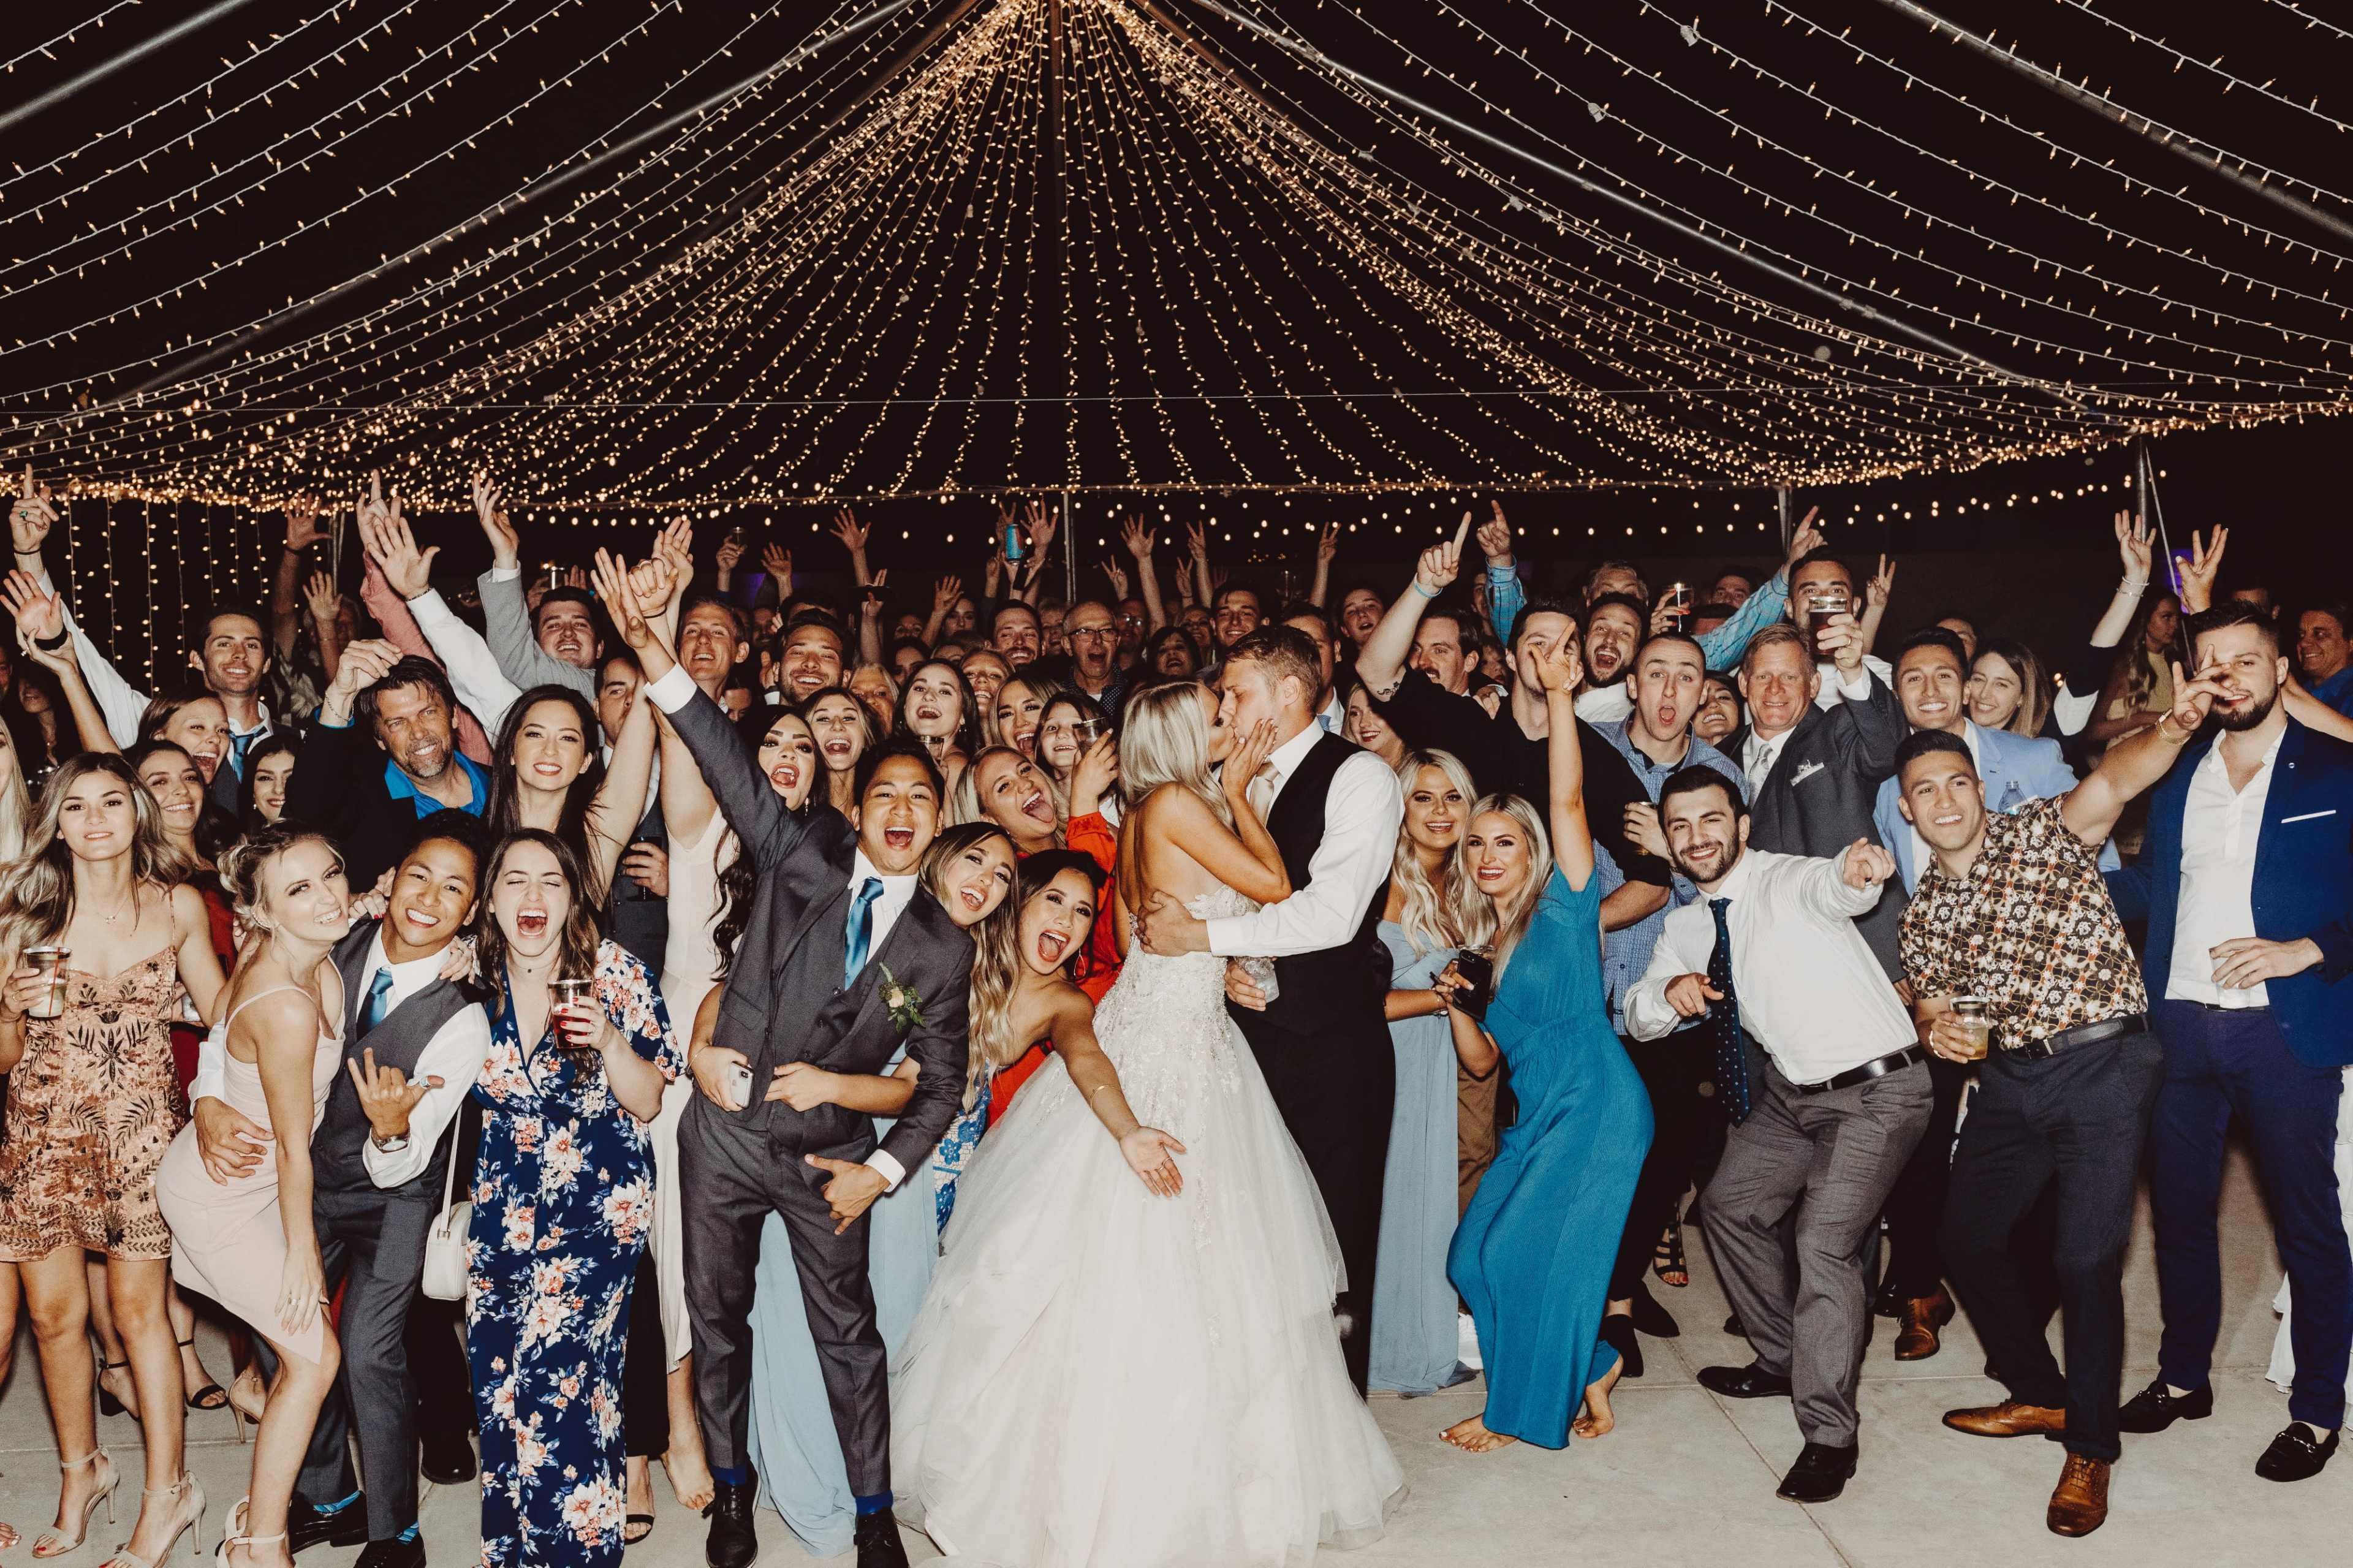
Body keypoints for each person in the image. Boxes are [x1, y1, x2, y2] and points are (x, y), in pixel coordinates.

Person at [889, 673, 1403, 1564]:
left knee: (1178, 1261)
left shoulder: (1149, 815)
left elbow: (1154, 936)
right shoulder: (1172, 802)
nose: (1228, 723)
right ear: (1178, 734)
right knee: (1159, 1259)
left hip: (1180, 1024)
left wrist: (1230, 963)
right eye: (1215, 716)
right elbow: (1279, 885)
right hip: (1172, 1048)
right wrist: (1241, 792)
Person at [625, 550, 976, 1568]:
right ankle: (732, 1495)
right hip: (724, 1138)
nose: (903, 810)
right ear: (860, 804)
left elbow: (943, 1081)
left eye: (921, 796)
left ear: (935, 813)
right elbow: (722, 755)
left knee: (848, 1336)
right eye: (887, 793)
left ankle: (873, 1510)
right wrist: (652, 642)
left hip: (831, 1155)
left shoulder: (943, 946)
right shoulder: (804, 854)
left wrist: (885, 1166)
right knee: (719, 1320)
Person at [1893, 654, 2230, 1538]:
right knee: (1961, 1239)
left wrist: (2180, 723)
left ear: (1977, 785)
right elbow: (1931, 1002)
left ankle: (2092, 1445)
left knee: (2086, 1260)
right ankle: (2039, 1392)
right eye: (1925, 790)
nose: (1945, 800)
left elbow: (2121, 773)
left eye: (1956, 781)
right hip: (2010, 1077)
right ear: (1908, 810)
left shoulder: (2041, 830)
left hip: (2103, 1064)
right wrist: (1939, 1030)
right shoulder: (1922, 910)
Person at [191, 816, 493, 1568]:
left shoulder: (464, 1019)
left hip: (393, 1197)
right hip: (292, 1184)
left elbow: (409, 1157)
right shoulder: (327, 937)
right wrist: (205, 1097)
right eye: (419, 875)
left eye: (455, 890)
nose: (430, 898)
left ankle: (398, 1534)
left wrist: (390, 1131)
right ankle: (331, 1496)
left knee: (366, 1352)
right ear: (390, 880)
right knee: (281, 1329)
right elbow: (233, 1021)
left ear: (473, 914)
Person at [1624, 770, 1926, 1503]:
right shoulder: (1688, 926)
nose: (1698, 837)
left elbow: (1837, 887)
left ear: (1744, 825)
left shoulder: (1787, 879)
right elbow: (1635, 1012)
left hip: (1878, 1090)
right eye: (1682, 825)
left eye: (1712, 820)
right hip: (1794, 1096)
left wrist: (1858, 873)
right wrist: (1666, 995)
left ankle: (1830, 1435)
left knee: (1822, 1242)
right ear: (1667, 838)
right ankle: (1783, 1357)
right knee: (1728, 1207)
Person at [2105, 604, 2352, 1482]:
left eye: (2248, 661)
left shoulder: (2336, 768)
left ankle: (2319, 1408)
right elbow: (2148, 885)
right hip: (2180, 1025)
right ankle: (2183, 1376)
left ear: (2281, 667)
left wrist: (2308, 949)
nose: (2231, 678)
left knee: (2306, 1223)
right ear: (2194, 678)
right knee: (2177, 1213)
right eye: (2213, 664)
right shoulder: (2177, 777)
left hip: (2285, 1029)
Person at [1137, 627, 1405, 1393]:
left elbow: (1332, 916)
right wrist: (1219, 969)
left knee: (1334, 1241)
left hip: (1330, 1049)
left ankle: (1334, 1416)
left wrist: (1206, 938)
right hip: (1232, 1047)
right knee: (1244, 1242)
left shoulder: (1360, 779)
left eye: (1236, 692)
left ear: (1289, 693)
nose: (1223, 707)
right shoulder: (1221, 779)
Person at [741, 824, 1018, 1555]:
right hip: (822, 1159)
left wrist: (844, 1091)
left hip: (896, 1173)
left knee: (881, 1332)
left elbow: (921, 1089)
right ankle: (812, 1487)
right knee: (801, 1325)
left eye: (1001, 875)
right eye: (974, 859)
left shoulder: (964, 961)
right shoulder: (861, 917)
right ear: (934, 856)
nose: (986, 879)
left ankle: (868, 1489)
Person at [0, 755, 227, 1567]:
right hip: (41, 1132)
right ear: (54, 822)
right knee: (56, 1318)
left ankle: (170, 1492)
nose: (93, 818)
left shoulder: (176, 907)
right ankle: (81, 1472)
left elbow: (229, 1014)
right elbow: (1, 1053)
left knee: (140, 1317)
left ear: (138, 813)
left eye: (110, 802)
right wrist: (8, 1009)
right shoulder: (20, 911)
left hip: (139, 1137)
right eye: (74, 805)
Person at [1441, 632, 1650, 1453]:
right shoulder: (1480, 950)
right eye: (1477, 843)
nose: (1489, 857)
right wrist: (1458, 1004)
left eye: (1505, 842)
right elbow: (1484, 1062)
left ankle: (1519, 1413)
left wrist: (1561, 696)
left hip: (1599, 1102)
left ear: (1530, 853)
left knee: (1537, 1258)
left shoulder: (1565, 905)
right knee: (1472, 1257)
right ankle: (1594, 1362)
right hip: (1538, 1115)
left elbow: (1568, 801)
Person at [1868, 626, 2089, 1358]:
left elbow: (2097, 869)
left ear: (1966, 686)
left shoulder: (2034, 759)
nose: (1928, 692)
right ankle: (1921, 1291)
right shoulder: (1887, 790)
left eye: (1943, 676)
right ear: (1896, 692)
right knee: (1918, 1141)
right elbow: (1901, 896)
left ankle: (2026, 1305)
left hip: (2031, 997)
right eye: (1911, 680)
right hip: (1939, 993)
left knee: (2035, 1149)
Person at [466, 830, 679, 1567]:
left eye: (550, 882)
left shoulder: (611, 971)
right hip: (503, 1201)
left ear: (574, 895)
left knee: (558, 1378)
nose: (532, 899)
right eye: (514, 881)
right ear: (488, 897)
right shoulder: (467, 975)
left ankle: (577, 1555)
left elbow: (650, 1102)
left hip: (598, 1200)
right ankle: (515, 1554)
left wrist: (613, 1041)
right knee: (500, 1383)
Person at [156, 825, 357, 1568]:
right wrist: (304, 1255)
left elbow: (213, 1038)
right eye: (300, 889)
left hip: (249, 1178)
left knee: (303, 1356)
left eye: (331, 874)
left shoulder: (303, 943)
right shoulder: (287, 1003)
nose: (328, 896)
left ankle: (257, 1481)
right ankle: (259, 1544)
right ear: (261, 913)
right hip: (222, 1196)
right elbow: (294, 1145)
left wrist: (206, 1093)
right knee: (313, 1360)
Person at [1354, 522, 1677, 936]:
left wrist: (1560, 930)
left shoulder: (1594, 757)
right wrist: (1422, 587)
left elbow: (1653, 884)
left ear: (1578, 667)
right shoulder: (1469, 724)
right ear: (1509, 657)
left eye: (1564, 647)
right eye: (1537, 643)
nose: (1549, 656)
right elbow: (1375, 671)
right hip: (1448, 939)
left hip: (1541, 967)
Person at [1366, 748, 1491, 1395]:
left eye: (1452, 797)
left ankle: (1426, 1335)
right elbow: (1354, 1003)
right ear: (1400, 807)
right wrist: (1442, 997)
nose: (1440, 812)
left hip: (1451, 1065)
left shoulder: (1472, 884)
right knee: (1395, 1202)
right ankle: (1390, 1345)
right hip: (1391, 1063)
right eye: (1423, 797)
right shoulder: (1380, 881)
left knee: (1438, 1203)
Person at [1723, 623, 1906, 975]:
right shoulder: (1716, 758)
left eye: (1790, 677)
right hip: (1759, 955)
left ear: (1815, 685)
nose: (1775, 689)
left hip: (1858, 950)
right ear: (1744, 684)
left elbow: (1885, 749)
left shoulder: (1836, 731)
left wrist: (1853, 670)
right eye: (1763, 677)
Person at [286, 643, 491, 888]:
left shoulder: (507, 787)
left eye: (428, 713)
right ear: (379, 739)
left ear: (454, 715)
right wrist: (340, 696)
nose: (418, 732)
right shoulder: (359, 800)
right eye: (397, 723)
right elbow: (302, 814)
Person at [1966, 638, 2055, 738]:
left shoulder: (2035, 751)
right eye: (1979, 680)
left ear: (2022, 696)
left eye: (2001, 685)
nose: (1984, 694)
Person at [2295, 600, 2352, 714]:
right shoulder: (2301, 691)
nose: (2304, 643)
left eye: (2319, 635)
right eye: (2301, 635)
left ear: (2350, 643)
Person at [237, 733, 303, 831]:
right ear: (252, 791)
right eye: (266, 778)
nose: (279, 789)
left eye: (291, 777)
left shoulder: (327, 844)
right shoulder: (234, 844)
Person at [1344, 683, 1408, 770]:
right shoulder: (1351, 771)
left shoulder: (1425, 776)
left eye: (1375, 711)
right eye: (1355, 713)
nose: (1363, 723)